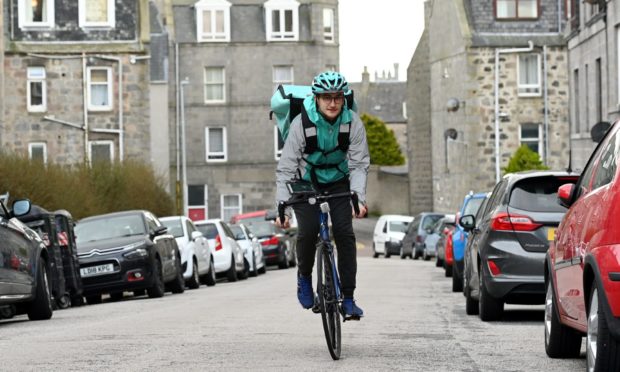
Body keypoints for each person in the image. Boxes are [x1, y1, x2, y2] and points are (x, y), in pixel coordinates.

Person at [275, 71, 369, 318]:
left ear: (344, 98)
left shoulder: (353, 123)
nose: (332, 103)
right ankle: (304, 277)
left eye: (337, 97)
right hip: (305, 183)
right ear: (316, 99)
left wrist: (358, 198)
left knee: (345, 235)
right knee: (307, 232)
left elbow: (359, 164)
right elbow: (286, 168)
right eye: (326, 97)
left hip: (339, 182)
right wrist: (282, 205)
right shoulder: (301, 124)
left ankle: (348, 298)